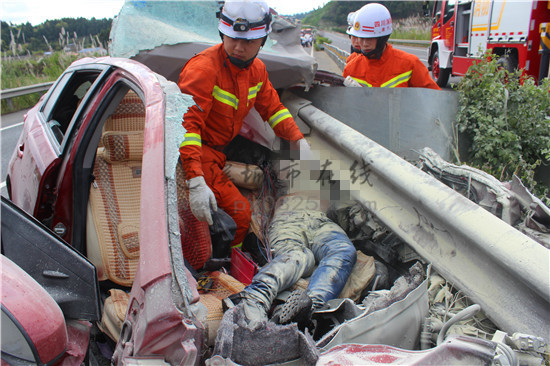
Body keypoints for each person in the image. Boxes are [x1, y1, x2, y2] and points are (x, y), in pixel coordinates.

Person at [178, 0, 311, 248]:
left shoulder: (257, 71)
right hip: (198, 154)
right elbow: (187, 128)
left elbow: (273, 109)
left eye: (248, 41)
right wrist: (195, 180)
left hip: (220, 151)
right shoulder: (204, 69)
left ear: (261, 41)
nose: (239, 47)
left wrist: (297, 141)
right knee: (241, 215)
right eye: (232, 38)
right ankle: (225, 265)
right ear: (222, 34)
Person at [224, 193, 357, 329]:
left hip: (321, 221)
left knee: (344, 250)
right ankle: (253, 297)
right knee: (300, 256)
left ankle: (310, 308)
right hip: (287, 220)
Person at [343, 3, 440, 90]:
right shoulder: (351, 69)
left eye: (369, 39)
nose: (364, 44)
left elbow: (434, 99)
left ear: (382, 38)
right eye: (361, 38)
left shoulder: (410, 65)